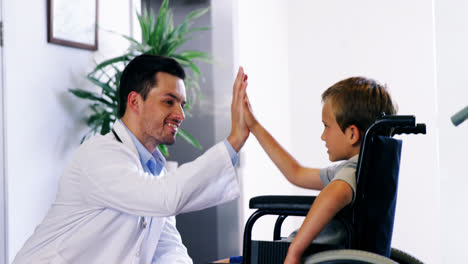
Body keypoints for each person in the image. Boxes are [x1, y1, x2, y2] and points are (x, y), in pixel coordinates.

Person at [13, 54, 249, 264]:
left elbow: (167, 251)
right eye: (169, 101)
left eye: (182, 104)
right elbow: (164, 197)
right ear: (135, 101)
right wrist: (234, 141)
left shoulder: (154, 172)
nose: (180, 114)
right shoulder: (99, 156)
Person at [242, 76, 397, 264]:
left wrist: (294, 251)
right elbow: (296, 173)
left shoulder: (352, 171)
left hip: (308, 255)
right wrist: (254, 126)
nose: (323, 136)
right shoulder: (366, 169)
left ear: (352, 134)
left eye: (327, 126)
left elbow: (333, 194)